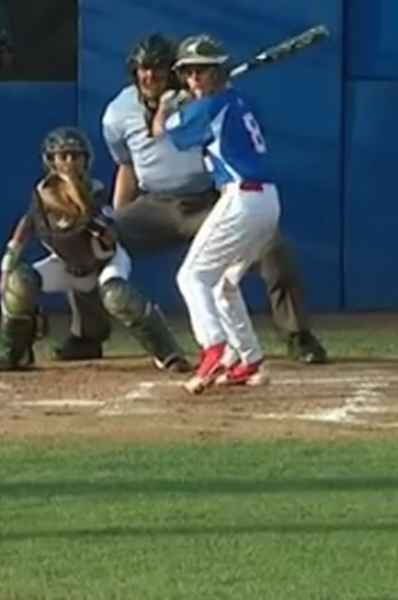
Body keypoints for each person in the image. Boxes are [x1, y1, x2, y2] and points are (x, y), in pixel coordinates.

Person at [54, 33, 328, 366]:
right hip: (154, 205)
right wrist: (119, 217)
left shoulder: (202, 101)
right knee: (89, 240)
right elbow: (126, 166)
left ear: (174, 72)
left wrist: (192, 105)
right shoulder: (117, 113)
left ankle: (298, 336)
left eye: (157, 68)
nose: (149, 75)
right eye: (142, 68)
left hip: (209, 201)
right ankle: (88, 335)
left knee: (274, 249)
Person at [0, 126, 188, 372]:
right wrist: (8, 263)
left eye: (75, 156)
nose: (69, 162)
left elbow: (109, 239)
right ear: (50, 161)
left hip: (104, 261)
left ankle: (169, 354)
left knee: (117, 296)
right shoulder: (42, 194)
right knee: (19, 283)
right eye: (62, 156)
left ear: (86, 160)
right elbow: (26, 225)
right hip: (66, 263)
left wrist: (88, 218)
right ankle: (15, 353)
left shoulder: (95, 191)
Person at [150, 33, 280, 392]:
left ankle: (214, 347)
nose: (193, 81)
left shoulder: (209, 107)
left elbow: (162, 131)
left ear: (219, 71)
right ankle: (249, 358)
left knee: (192, 277)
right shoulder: (239, 100)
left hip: (243, 199)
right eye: (188, 74)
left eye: (201, 73)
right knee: (224, 283)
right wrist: (191, 102)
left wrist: (165, 106)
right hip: (266, 202)